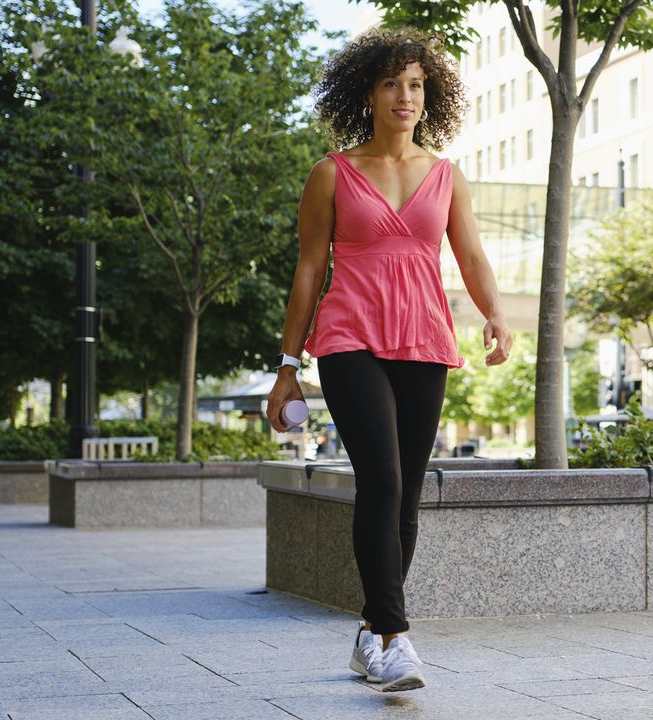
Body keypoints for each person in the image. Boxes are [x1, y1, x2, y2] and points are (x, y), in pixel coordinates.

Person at [266, 29, 511, 693]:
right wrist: (288, 365)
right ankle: (396, 639)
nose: (405, 96)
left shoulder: (445, 174)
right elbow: (309, 269)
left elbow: (472, 256)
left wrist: (494, 315)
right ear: (367, 94)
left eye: (416, 85)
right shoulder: (332, 174)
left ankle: (372, 632)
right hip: (348, 338)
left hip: (425, 339)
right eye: (391, 84)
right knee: (381, 480)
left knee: (404, 498)